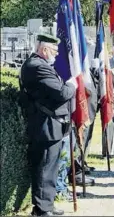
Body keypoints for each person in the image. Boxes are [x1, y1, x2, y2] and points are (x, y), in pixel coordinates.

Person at [19, 34, 78, 216]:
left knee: (51, 167)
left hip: (51, 125)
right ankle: (42, 209)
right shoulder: (36, 66)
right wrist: (72, 84)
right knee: (44, 167)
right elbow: (61, 93)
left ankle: (47, 205)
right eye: (54, 50)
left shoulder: (41, 65)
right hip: (44, 126)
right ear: (44, 49)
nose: (57, 53)